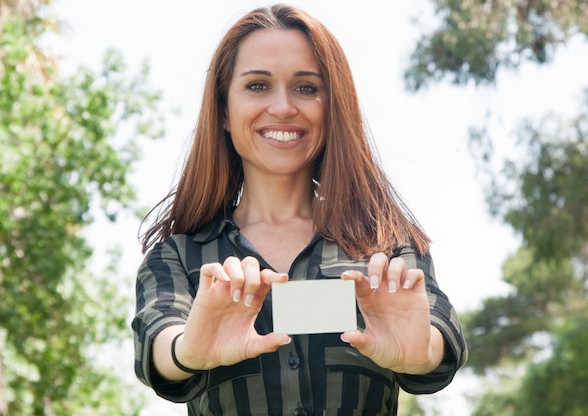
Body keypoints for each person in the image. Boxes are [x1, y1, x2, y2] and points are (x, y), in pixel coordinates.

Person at [132, 4, 467, 415]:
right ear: (223, 110)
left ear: (332, 108)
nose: (284, 107)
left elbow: (438, 335)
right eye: (257, 86)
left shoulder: (387, 248)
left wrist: (421, 354)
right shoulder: (177, 257)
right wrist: (189, 351)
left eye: (306, 87)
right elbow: (161, 344)